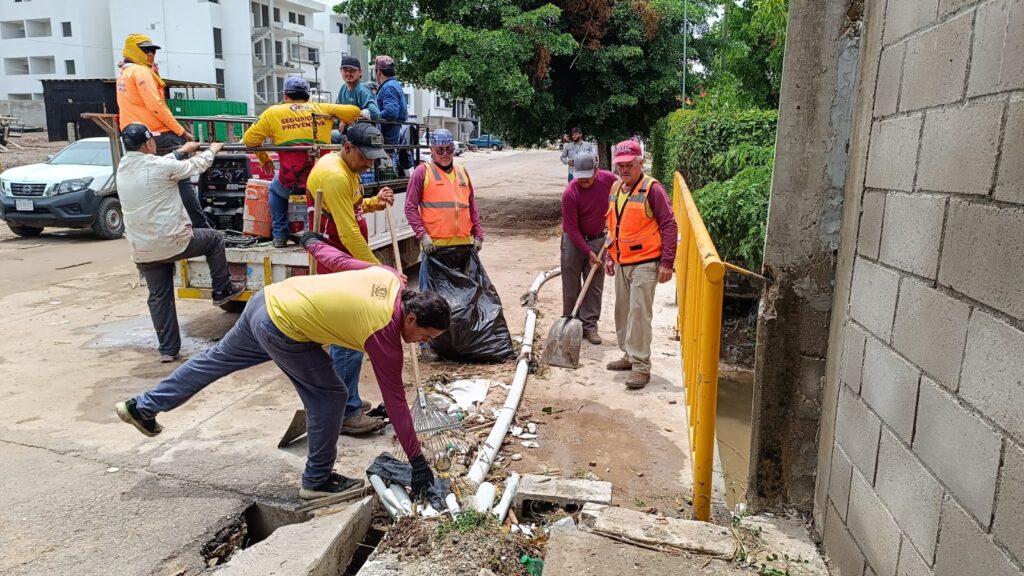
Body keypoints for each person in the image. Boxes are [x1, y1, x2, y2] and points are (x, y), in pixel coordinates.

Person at [115, 246, 447, 500]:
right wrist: (417, 460)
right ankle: (317, 482)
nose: (421, 343)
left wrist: (311, 242)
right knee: (330, 397)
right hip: (283, 326)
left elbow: (341, 260)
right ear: (413, 319)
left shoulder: (388, 277)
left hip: (267, 300)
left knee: (213, 361)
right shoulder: (385, 335)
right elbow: (397, 404)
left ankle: (141, 406)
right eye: (426, 336)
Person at [116, 123, 243, 363]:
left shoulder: (123, 167)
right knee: (214, 239)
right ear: (147, 144)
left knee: (158, 297)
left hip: (142, 248)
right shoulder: (160, 166)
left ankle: (168, 349)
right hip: (173, 240)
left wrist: (183, 149)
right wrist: (212, 150)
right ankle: (222, 289)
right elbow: (195, 166)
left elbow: (162, 165)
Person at [305, 122, 396, 435]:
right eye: (365, 156)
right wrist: (376, 270)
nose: (369, 162)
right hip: (338, 261)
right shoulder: (334, 175)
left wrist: (375, 202)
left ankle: (346, 399)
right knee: (351, 335)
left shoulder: (350, 171)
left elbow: (353, 208)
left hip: (347, 259)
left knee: (352, 337)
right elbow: (348, 232)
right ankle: (346, 411)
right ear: (346, 148)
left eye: (374, 156)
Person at [242, 77, 368, 247]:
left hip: (290, 179)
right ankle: (314, 233)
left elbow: (249, 139)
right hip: (320, 180)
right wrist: (337, 115)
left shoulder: (273, 112)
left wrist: (264, 159)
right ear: (308, 96)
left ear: (285, 95)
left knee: (275, 191)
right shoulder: (321, 108)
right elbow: (354, 111)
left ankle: (280, 235)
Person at [404, 128, 484, 361]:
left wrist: (478, 233)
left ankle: (457, 343)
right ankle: (427, 347)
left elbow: (471, 206)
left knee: (462, 299)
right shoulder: (422, 172)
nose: (445, 154)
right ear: (432, 150)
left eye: (449, 149)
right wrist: (423, 236)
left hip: (463, 248)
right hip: (436, 249)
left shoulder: (462, 172)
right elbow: (410, 207)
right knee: (430, 302)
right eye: (440, 150)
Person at [604, 139, 678, 389]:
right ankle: (628, 354)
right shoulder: (615, 188)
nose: (623, 170)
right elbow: (612, 225)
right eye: (620, 166)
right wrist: (608, 256)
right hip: (622, 260)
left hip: (646, 262)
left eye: (628, 165)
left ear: (640, 163)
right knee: (622, 313)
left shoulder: (652, 189)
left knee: (638, 313)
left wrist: (667, 262)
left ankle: (641, 366)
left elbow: (669, 224)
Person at [116, 33, 208, 229]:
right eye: (146, 50)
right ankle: (201, 226)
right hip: (157, 135)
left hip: (136, 138)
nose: (150, 54)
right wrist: (182, 132)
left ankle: (162, 226)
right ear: (133, 49)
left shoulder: (124, 73)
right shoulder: (141, 72)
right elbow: (156, 105)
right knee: (181, 179)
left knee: (152, 185)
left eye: (153, 50)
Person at [560, 153, 617, 345]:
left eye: (587, 177)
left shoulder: (609, 180)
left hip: (598, 239)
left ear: (596, 170)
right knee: (571, 285)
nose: (583, 181)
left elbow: (622, 195)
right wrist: (587, 252)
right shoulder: (570, 192)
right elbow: (571, 228)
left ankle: (589, 327)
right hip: (573, 241)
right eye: (580, 177)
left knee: (594, 286)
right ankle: (569, 324)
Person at [332, 56, 380, 144]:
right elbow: (336, 110)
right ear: (340, 71)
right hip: (348, 132)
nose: (348, 73)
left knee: (331, 137)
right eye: (345, 70)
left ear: (360, 72)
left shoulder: (362, 89)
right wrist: (342, 119)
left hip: (363, 134)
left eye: (352, 71)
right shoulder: (343, 88)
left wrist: (351, 115)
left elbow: (375, 113)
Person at [373, 55, 407, 146]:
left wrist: (371, 116)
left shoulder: (389, 87)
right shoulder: (392, 85)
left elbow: (390, 113)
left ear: (378, 71)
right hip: (390, 137)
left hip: (386, 139)